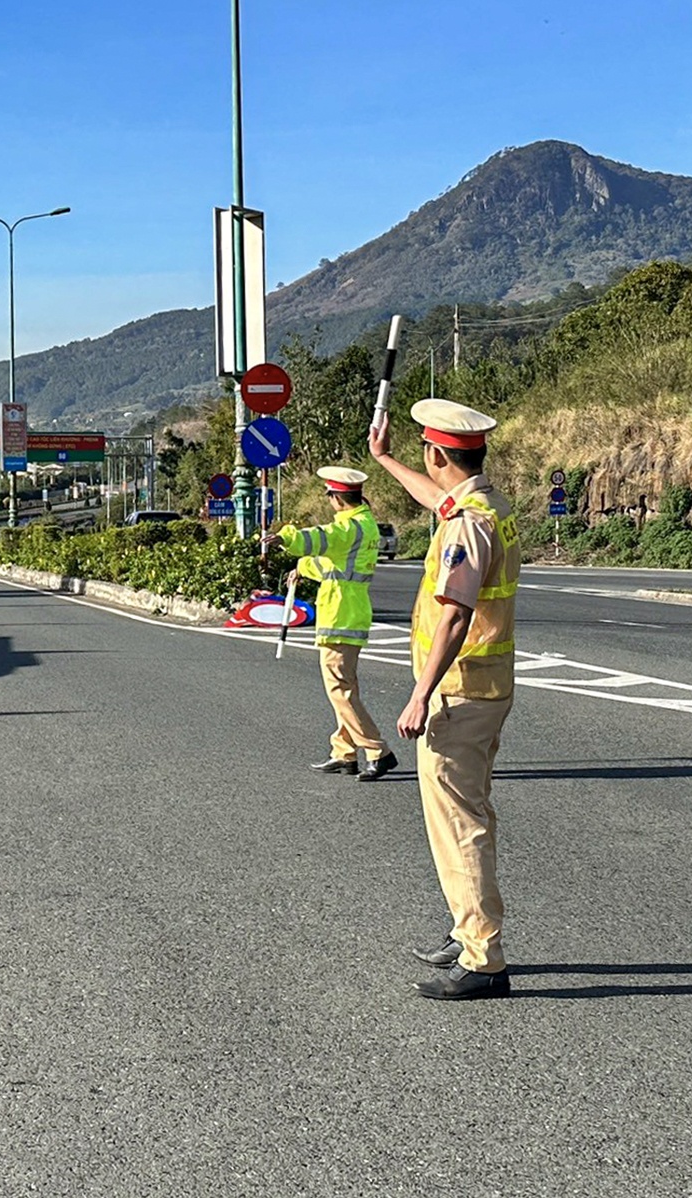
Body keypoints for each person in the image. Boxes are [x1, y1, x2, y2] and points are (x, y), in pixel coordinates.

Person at [368, 398, 520, 1001]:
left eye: (423, 455)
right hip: (487, 685)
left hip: (458, 693)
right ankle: (468, 928)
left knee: (460, 824)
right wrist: (383, 459)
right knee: (469, 814)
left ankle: (483, 957)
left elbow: (455, 616)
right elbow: (434, 498)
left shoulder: (467, 525)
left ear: (438, 454)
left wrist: (417, 694)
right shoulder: (486, 504)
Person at [263, 466, 394, 781]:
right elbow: (332, 561)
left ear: (337, 498)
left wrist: (286, 538)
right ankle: (344, 752)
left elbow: (322, 538)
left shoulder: (353, 527)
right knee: (344, 687)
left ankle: (378, 751)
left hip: (342, 614)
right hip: (348, 611)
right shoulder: (363, 526)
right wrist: (302, 567)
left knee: (340, 689)